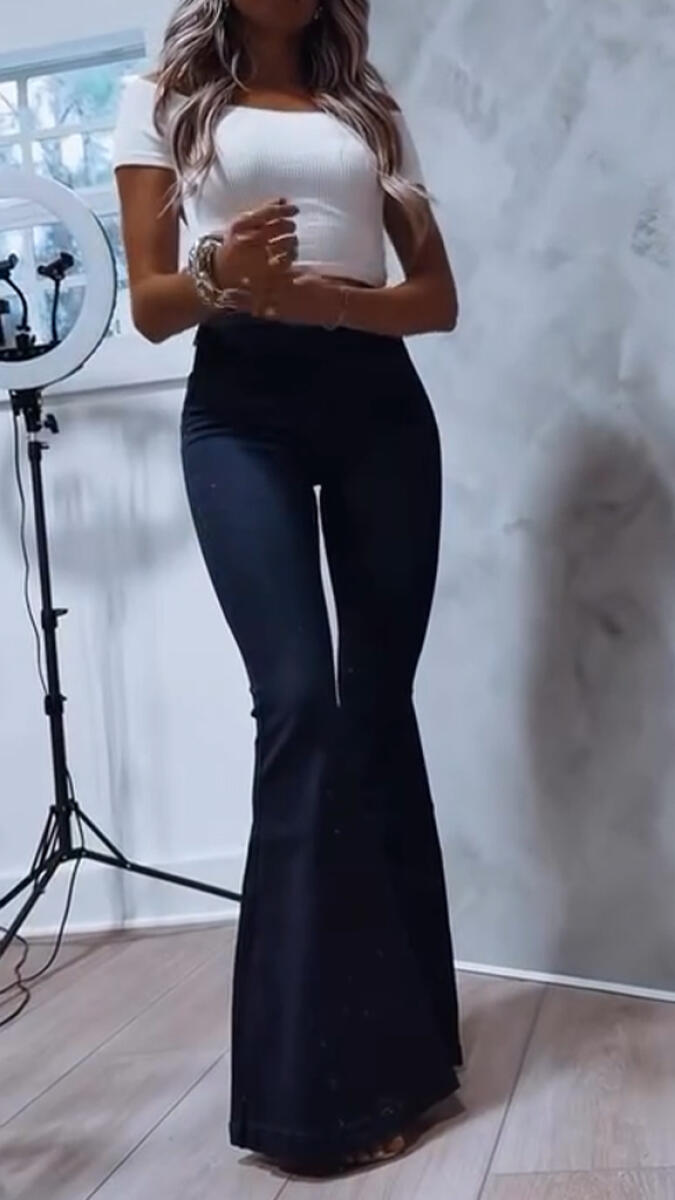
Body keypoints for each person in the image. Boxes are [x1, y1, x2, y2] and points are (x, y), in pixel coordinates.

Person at [112, 0, 464, 1177]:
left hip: (376, 403)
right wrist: (220, 271)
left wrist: (338, 303)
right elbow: (150, 305)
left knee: (375, 711)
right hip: (241, 407)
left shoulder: (369, 108)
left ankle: (414, 1062)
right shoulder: (161, 98)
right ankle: (310, 1100)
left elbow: (436, 297)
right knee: (301, 705)